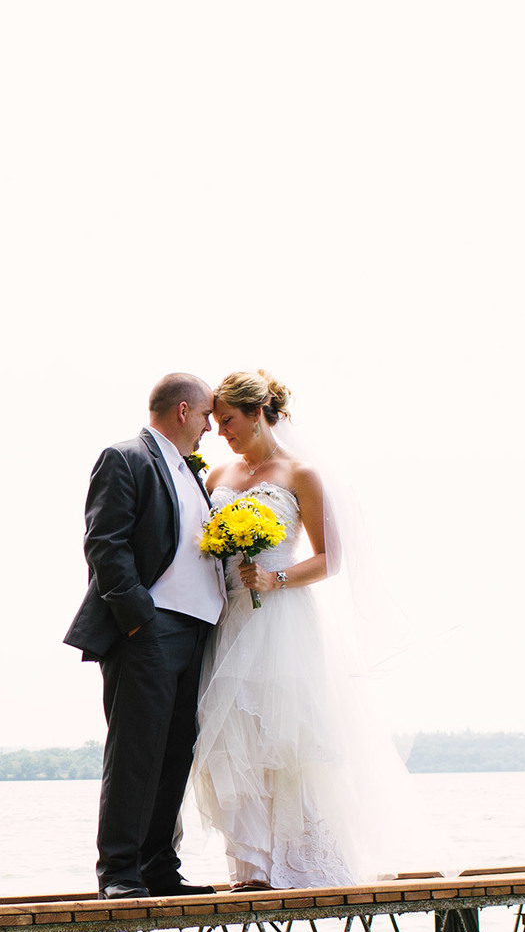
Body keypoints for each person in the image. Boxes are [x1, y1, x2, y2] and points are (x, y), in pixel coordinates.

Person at [187, 369, 439, 888]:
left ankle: (301, 864)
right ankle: (253, 868)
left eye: (228, 420)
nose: (220, 432)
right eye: (214, 422)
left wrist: (276, 577)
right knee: (233, 738)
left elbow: (330, 559)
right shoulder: (216, 478)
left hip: (282, 622)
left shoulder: (301, 474)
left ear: (257, 413)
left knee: (287, 739)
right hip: (230, 619)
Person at [64, 373, 223, 898]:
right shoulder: (126, 457)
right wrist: (139, 619)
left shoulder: (189, 471)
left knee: (176, 751)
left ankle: (159, 869)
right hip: (149, 629)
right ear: (183, 411)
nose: (209, 430)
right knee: (136, 750)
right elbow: (105, 545)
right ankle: (119, 874)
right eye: (205, 418)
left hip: (194, 630)